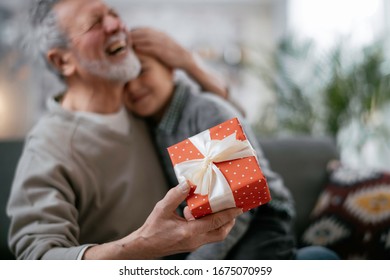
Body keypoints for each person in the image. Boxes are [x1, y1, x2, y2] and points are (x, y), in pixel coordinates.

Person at [6, 0, 243, 260]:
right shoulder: (48, 147)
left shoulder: (143, 108)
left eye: (113, 14)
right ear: (62, 60)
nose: (116, 24)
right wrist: (142, 246)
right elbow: (35, 261)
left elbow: (237, 129)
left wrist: (189, 63)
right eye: (95, 23)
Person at [124, 28, 297, 259]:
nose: (133, 87)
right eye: (123, 83)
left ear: (170, 69)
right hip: (207, 220)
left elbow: (244, 201)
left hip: (260, 214)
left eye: (142, 71)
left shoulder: (206, 110)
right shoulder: (148, 126)